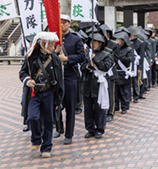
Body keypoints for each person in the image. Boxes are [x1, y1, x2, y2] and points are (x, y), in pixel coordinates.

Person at [19, 32, 64, 158]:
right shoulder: (31, 57)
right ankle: (36, 139)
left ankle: (47, 147)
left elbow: (60, 81)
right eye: (50, 44)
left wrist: (58, 101)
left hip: (49, 93)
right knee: (33, 117)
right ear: (43, 44)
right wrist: (27, 80)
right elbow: (22, 73)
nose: (53, 47)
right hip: (34, 93)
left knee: (48, 120)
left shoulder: (55, 58)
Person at [54, 15, 86, 144]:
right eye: (60, 23)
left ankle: (69, 134)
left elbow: (81, 56)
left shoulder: (76, 39)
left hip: (70, 76)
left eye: (64, 23)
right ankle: (59, 127)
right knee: (55, 105)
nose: (62, 25)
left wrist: (66, 59)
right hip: (56, 77)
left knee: (70, 107)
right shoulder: (53, 39)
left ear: (69, 24)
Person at [81, 32, 114, 139]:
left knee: (99, 108)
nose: (93, 44)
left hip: (99, 85)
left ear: (100, 43)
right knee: (88, 108)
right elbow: (82, 68)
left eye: (95, 42)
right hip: (87, 84)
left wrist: (95, 60)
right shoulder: (87, 54)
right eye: (91, 42)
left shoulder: (107, 54)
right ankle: (90, 128)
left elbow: (106, 67)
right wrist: (89, 65)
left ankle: (100, 128)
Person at [100, 24, 120, 123]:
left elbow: (115, 59)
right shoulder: (97, 43)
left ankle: (110, 113)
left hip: (110, 72)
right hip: (99, 72)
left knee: (110, 93)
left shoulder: (114, 45)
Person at [113, 31, 135, 114]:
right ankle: (115, 106)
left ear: (123, 41)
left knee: (124, 91)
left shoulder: (129, 49)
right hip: (116, 72)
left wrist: (120, 55)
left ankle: (125, 107)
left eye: (119, 39)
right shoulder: (114, 48)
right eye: (116, 39)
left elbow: (129, 60)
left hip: (124, 72)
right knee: (115, 91)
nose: (117, 41)